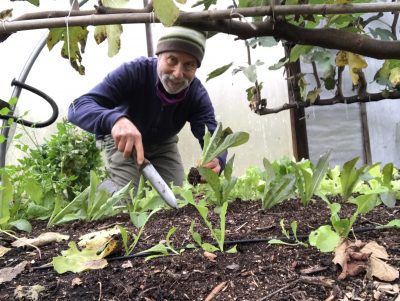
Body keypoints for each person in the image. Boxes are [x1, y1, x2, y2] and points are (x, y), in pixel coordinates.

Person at [68, 26, 227, 192]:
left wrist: (218, 159)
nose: (178, 73)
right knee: (125, 199)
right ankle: (103, 192)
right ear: (159, 56)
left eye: (188, 65)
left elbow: (212, 134)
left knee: (176, 200)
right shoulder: (134, 72)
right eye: (172, 60)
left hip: (163, 142)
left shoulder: (196, 94)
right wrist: (115, 120)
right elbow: (77, 107)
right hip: (123, 139)